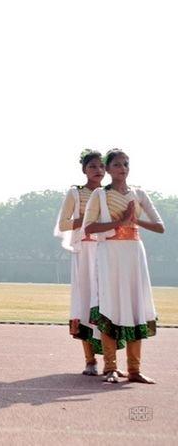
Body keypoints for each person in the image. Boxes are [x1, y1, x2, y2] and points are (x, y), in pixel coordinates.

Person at [83, 149, 165, 384]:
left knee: (135, 305)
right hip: (110, 254)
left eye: (126, 164)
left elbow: (160, 227)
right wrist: (120, 221)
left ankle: (135, 370)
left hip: (134, 254)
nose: (123, 168)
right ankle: (110, 367)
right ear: (108, 169)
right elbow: (88, 228)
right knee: (111, 304)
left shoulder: (138, 193)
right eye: (117, 164)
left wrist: (133, 219)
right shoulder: (99, 194)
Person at [54, 149, 113, 376]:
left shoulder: (111, 193)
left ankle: (111, 362)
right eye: (92, 167)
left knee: (108, 304)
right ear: (84, 170)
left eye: (101, 166)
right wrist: (88, 220)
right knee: (85, 303)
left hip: (107, 251)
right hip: (84, 252)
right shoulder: (76, 193)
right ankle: (90, 361)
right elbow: (63, 224)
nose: (98, 171)